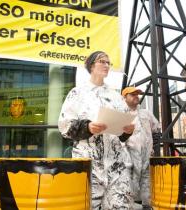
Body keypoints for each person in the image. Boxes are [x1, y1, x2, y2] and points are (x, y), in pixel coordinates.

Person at [58, 51, 135, 209]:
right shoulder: (77, 93)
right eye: (102, 61)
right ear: (91, 65)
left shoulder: (115, 96)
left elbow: (122, 134)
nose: (106, 65)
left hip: (117, 166)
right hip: (89, 165)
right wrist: (88, 127)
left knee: (121, 207)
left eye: (108, 63)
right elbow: (64, 126)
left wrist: (127, 130)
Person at [122, 86, 161, 209]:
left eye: (137, 94)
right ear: (124, 97)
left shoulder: (146, 113)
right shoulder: (121, 114)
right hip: (128, 156)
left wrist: (152, 147)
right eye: (132, 94)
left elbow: (156, 130)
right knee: (128, 181)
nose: (136, 96)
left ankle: (147, 205)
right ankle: (127, 206)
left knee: (147, 180)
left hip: (146, 155)